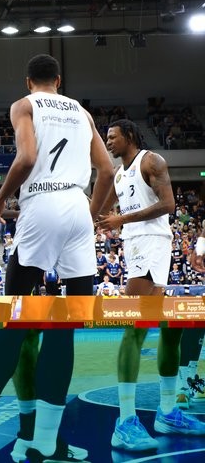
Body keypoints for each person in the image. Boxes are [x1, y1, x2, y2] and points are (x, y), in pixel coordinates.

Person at [0, 54, 113, 463]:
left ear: (30, 82)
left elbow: (26, 159)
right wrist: (92, 215)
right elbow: (108, 171)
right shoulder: (82, 112)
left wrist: (1, 198)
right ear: (58, 80)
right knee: (65, 328)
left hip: (41, 206)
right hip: (78, 209)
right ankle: (45, 439)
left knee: (14, 318)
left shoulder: (25, 105)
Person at [96, 119, 205, 451]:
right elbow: (98, 212)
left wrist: (120, 219)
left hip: (156, 244)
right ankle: (125, 420)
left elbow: (169, 205)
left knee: (169, 328)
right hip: (141, 247)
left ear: (129, 136)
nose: (109, 143)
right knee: (136, 328)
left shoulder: (151, 161)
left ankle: (168, 411)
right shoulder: (118, 175)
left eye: (112, 138)